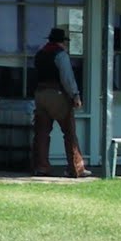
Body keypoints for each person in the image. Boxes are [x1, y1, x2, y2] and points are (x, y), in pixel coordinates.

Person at [32, 26, 90, 177]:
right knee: (69, 132)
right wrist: (75, 95)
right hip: (56, 94)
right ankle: (76, 167)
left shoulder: (39, 54)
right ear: (61, 42)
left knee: (42, 133)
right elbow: (67, 78)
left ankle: (42, 166)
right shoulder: (61, 55)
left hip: (40, 94)